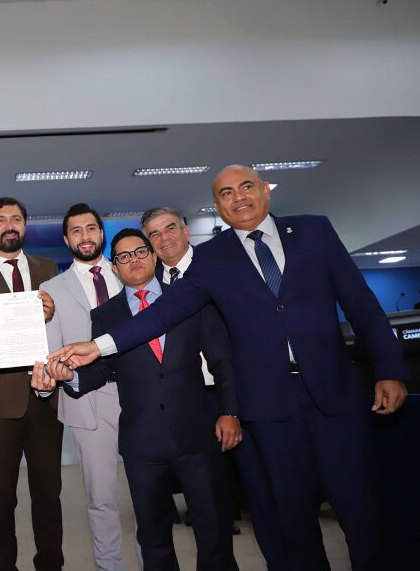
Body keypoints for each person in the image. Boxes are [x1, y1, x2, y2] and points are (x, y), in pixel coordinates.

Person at [50, 165, 409, 571]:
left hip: (334, 394)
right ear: (217, 206)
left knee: (361, 507)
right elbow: (164, 312)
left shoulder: (314, 231)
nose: (238, 197)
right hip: (269, 406)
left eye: (246, 186)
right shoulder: (210, 258)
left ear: (265, 191)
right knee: (292, 516)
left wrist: (389, 368)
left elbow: (361, 303)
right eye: (225, 193)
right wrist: (97, 346)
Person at [42, 228, 241, 571]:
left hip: (196, 434)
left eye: (139, 252)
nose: (132, 260)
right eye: (123, 256)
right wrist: (70, 377)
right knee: (153, 535)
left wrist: (230, 412)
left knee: (214, 530)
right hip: (142, 443)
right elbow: (101, 370)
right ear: (114, 268)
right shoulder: (105, 315)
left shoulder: (188, 298)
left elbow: (222, 361)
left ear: (153, 256)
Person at [142, 207, 285, 570]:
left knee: (262, 491)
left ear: (186, 231)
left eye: (170, 228)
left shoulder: (222, 265)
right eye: (154, 234)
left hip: (241, 394)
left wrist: (230, 408)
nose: (164, 238)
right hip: (187, 404)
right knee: (209, 505)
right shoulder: (149, 286)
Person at [0, 197, 63, 571]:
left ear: (25, 225)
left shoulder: (50, 269)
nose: (9, 225)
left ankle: (51, 565)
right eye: (0, 220)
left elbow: (64, 329)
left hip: (45, 395)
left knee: (49, 493)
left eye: (16, 219)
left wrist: (53, 312)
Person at [38, 203, 129, 571]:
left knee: (149, 491)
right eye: (76, 231)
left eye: (91, 228)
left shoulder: (129, 271)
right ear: (66, 239)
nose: (85, 236)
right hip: (88, 396)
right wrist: (46, 381)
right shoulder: (51, 289)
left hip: (142, 392)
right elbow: (50, 350)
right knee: (101, 497)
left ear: (102, 233)